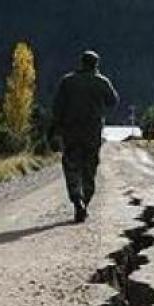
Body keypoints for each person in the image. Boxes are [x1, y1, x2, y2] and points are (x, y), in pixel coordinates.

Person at [50, 50, 119, 223]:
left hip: (71, 133)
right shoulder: (101, 81)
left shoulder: (67, 81)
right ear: (96, 64)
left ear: (81, 63)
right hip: (92, 133)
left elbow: (57, 108)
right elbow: (113, 101)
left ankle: (76, 199)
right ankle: (84, 202)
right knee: (89, 169)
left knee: (72, 167)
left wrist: (55, 130)